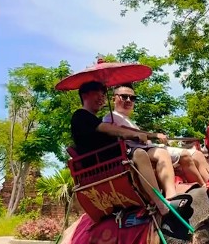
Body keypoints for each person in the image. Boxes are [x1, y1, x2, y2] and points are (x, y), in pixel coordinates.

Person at [70, 80, 189, 229]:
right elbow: (110, 130)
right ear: (85, 94)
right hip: (103, 162)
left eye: (103, 95)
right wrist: (132, 135)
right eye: (98, 94)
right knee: (139, 154)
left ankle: (170, 195)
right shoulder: (81, 116)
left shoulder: (94, 119)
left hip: (115, 156)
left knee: (159, 152)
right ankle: (160, 203)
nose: (102, 98)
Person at [105, 85, 209, 185]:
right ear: (114, 99)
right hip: (138, 152)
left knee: (197, 154)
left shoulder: (128, 120)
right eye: (124, 97)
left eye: (132, 98)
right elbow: (122, 132)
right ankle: (205, 189)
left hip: (150, 147)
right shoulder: (110, 117)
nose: (128, 100)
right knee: (184, 154)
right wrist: (155, 135)